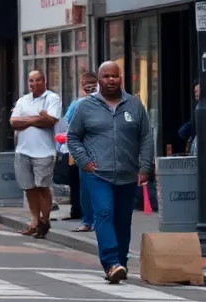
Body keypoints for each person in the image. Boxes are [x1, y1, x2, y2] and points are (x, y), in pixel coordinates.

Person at [66, 61, 154, 284]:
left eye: (115, 76)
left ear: (121, 78)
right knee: (104, 214)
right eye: (106, 76)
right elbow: (73, 137)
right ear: (99, 79)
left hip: (127, 173)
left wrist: (145, 167)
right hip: (98, 174)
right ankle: (111, 262)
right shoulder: (86, 107)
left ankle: (120, 261)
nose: (111, 80)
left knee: (123, 220)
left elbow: (145, 137)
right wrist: (85, 162)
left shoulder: (134, 105)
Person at [10, 70, 62, 238]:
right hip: (23, 150)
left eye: (37, 80)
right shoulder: (23, 100)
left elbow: (51, 121)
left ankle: (44, 220)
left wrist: (26, 120)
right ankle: (34, 222)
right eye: (31, 80)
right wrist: (37, 119)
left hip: (44, 152)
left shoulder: (52, 98)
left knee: (42, 187)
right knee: (29, 188)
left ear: (44, 81)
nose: (33, 83)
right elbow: (13, 122)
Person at [64, 72, 98, 232]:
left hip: (102, 152)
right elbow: (67, 126)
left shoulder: (104, 102)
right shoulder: (77, 104)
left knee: (98, 188)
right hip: (84, 153)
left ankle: (94, 221)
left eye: (92, 83)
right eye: (86, 83)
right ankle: (88, 220)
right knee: (86, 188)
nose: (89, 86)